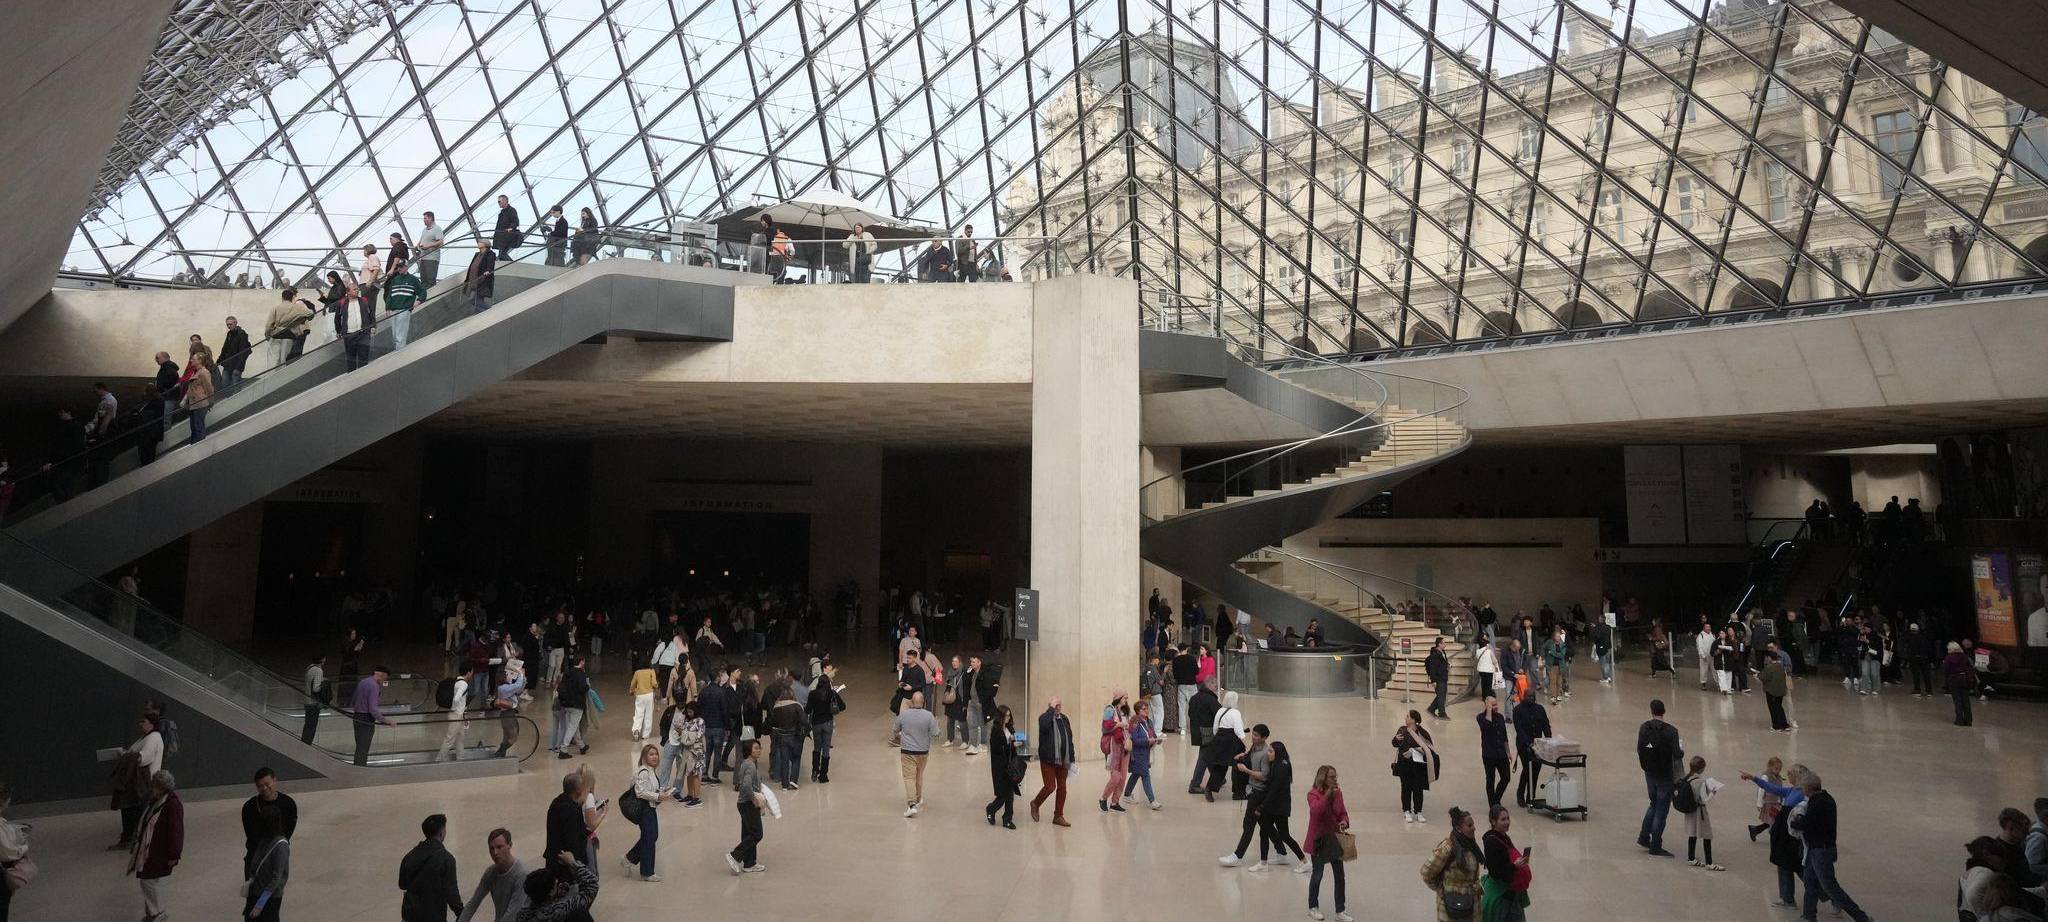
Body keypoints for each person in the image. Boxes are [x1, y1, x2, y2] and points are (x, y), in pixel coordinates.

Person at [1789, 771, 1872, 922]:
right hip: (1818, 849)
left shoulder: (1817, 803)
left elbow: (1806, 825)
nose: (1802, 791)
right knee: (1810, 883)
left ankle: (1862, 917)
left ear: (1809, 788)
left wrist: (1795, 821)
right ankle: (1808, 916)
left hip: (1821, 851)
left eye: (1803, 788)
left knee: (1830, 887)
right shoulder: (1827, 798)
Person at [1741, 763, 1808, 908]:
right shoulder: (1792, 791)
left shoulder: (1802, 794)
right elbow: (1772, 788)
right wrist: (1753, 778)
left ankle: (1826, 894)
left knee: (1798, 868)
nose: (1788, 776)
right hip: (1784, 836)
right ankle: (1787, 899)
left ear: (1796, 776)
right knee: (1786, 866)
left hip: (1792, 838)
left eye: (1790, 774)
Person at [125, 770, 182, 922]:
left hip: (159, 853)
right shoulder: (157, 801)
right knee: (150, 880)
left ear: (162, 787)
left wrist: (174, 855)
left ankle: (158, 913)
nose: (152, 789)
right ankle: (153, 913)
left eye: (154, 786)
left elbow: (176, 831)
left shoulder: (172, 805)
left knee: (148, 881)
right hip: (151, 851)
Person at [1216, 724, 1274, 868]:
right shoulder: (1255, 747)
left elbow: (1264, 776)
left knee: (1249, 824)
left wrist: (1246, 770)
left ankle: (1237, 855)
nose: (1253, 737)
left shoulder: (1265, 753)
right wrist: (1243, 756)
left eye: (1256, 735)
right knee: (1266, 825)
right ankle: (1281, 851)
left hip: (1258, 793)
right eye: (1253, 734)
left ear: (1264, 738)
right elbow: (1250, 756)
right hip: (1253, 791)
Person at [1303, 764, 1352, 921]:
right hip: (1318, 840)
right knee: (1317, 875)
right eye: (1331, 776)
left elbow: (1342, 812)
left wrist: (1344, 821)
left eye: (1335, 776)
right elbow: (1316, 812)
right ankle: (1313, 906)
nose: (1335, 779)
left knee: (1340, 876)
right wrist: (1328, 794)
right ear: (1323, 778)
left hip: (1334, 839)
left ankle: (1340, 911)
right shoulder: (1313, 794)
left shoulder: (1338, 794)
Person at [1421, 805, 1484, 922]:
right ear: (1458, 828)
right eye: (1469, 825)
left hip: (1472, 906)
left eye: (1473, 824)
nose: (1474, 828)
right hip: (1451, 907)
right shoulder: (1448, 848)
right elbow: (1426, 872)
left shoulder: (1471, 846)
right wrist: (1442, 889)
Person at [1636, 698, 1682, 858]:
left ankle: (1644, 836)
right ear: (1664, 711)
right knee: (1661, 810)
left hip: (1649, 771)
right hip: (1665, 774)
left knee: (1653, 803)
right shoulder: (1671, 731)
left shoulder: (1644, 728)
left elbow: (1639, 748)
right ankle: (1655, 844)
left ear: (1651, 711)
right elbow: (1677, 754)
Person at [400, 813, 462, 921]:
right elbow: (451, 893)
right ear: (442, 832)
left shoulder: (409, 856)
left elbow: (402, 884)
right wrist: (462, 913)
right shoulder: (446, 859)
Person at [457, 828, 528, 922]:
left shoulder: (521, 874)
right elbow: (473, 903)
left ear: (509, 845)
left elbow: (513, 914)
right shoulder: (491, 873)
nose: (495, 853)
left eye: (499, 847)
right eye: (492, 848)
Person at [241, 767, 299, 881]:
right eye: (260, 786)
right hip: (256, 855)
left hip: (277, 855)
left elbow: (288, 831)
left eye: (267, 784)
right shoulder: (249, 807)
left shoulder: (288, 804)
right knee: (253, 893)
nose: (264, 788)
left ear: (274, 780)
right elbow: (251, 834)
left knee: (275, 891)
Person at [1480, 804, 1532, 921]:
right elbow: (1495, 871)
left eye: (1508, 818)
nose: (1507, 822)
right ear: (1493, 822)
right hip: (1502, 893)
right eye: (1503, 819)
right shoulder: (1492, 842)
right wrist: (1514, 866)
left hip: (1510, 891)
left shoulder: (1503, 836)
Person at [724, 739, 768, 874]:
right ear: (749, 750)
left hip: (743, 803)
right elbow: (747, 785)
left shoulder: (746, 764)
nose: (758, 750)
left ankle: (749, 863)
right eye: (755, 748)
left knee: (748, 833)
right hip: (748, 804)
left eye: (759, 748)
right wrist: (754, 799)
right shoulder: (750, 766)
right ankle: (735, 855)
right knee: (756, 833)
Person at [892, 690, 938, 817]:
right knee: (919, 775)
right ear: (923, 702)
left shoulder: (904, 715)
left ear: (912, 702)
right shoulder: (929, 716)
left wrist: (899, 737)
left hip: (907, 751)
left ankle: (911, 804)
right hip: (923, 751)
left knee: (908, 777)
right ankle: (918, 798)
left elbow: (895, 730)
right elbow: (935, 733)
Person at [622, 744, 663, 881]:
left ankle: (629, 858)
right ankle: (647, 872)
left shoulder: (651, 771)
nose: (654, 757)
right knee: (649, 838)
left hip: (650, 807)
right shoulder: (644, 772)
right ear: (644, 757)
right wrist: (657, 796)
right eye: (651, 754)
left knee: (651, 836)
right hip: (644, 809)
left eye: (656, 754)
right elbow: (640, 792)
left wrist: (661, 794)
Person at [1031, 696, 1075, 826]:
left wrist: (1071, 757)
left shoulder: (1065, 719)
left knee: (1062, 788)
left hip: (1063, 760)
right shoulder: (1044, 718)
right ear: (1050, 707)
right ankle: (1035, 803)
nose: (1058, 708)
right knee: (1050, 787)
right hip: (1048, 759)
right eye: (1055, 705)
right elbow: (1044, 726)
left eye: (1059, 705)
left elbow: (1069, 739)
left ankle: (1058, 816)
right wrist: (1051, 710)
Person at [242, 804, 290, 922]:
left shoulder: (281, 845)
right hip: (255, 892)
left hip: (270, 897)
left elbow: (276, 877)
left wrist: (260, 904)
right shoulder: (264, 840)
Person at [1392, 708, 1441, 823]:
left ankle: (1418, 811)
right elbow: (1395, 744)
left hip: (1418, 766)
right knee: (1406, 788)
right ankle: (1407, 810)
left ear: (1413, 720)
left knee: (1418, 789)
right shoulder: (1402, 730)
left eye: (1408, 716)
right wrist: (1395, 739)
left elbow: (1429, 748)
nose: (1405, 718)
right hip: (1404, 764)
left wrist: (1419, 750)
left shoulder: (1423, 733)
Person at [1678, 755, 1724, 871]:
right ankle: (1709, 863)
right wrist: (1713, 793)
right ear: (1701, 768)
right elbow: (1704, 800)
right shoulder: (1701, 782)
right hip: (1699, 812)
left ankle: (1691, 858)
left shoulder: (1687, 778)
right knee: (1707, 835)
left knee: (1692, 833)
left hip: (1690, 811)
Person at [1511, 691, 1551, 808]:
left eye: (1533, 697)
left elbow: (1545, 724)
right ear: (1524, 696)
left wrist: (1549, 739)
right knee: (1527, 769)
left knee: (1536, 769)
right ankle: (1520, 794)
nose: (1532, 698)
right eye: (1529, 696)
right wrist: (1528, 743)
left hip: (1538, 745)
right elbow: (1519, 729)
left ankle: (1531, 797)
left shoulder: (1540, 709)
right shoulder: (1517, 710)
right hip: (1524, 745)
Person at [1121, 699, 1163, 809]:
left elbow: (1152, 734)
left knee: (1136, 774)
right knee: (1145, 775)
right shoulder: (1135, 721)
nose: (1147, 711)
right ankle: (1152, 800)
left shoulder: (1148, 721)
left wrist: (1157, 739)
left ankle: (1127, 794)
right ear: (1138, 711)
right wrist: (1147, 741)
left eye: (1147, 708)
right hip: (1138, 754)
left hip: (1146, 753)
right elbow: (1135, 739)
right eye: (1144, 709)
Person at [352, 665, 397, 766]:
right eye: (385, 678)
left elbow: (354, 700)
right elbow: (373, 709)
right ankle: (361, 770)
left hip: (357, 717)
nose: (384, 680)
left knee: (359, 746)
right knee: (364, 748)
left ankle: (357, 768)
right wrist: (386, 720)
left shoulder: (362, 682)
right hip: (366, 719)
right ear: (382, 675)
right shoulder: (374, 686)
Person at [382, 260, 428, 350]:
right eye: (398, 266)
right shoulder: (394, 280)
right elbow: (390, 295)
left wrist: (419, 300)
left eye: (401, 266)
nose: (399, 268)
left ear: (406, 267)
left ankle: (399, 354)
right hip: (393, 310)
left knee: (400, 335)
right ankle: (399, 352)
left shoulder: (413, 279)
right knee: (395, 335)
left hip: (404, 309)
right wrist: (387, 308)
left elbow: (422, 291)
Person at [1476, 694, 1511, 808]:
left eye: (1496, 704)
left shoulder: (1500, 717)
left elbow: (1504, 736)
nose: (1496, 707)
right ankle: (1493, 805)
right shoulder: (1480, 717)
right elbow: (1486, 726)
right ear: (1487, 705)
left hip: (1501, 753)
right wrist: (1489, 711)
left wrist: (1508, 752)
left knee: (1506, 777)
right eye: (1493, 705)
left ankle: (1496, 799)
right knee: (1490, 780)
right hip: (1489, 754)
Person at [178, 340, 217, 439]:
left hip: (200, 403)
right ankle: (195, 442)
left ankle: (199, 445)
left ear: (199, 361)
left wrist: (211, 402)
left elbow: (209, 388)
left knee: (198, 427)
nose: (191, 360)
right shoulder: (196, 372)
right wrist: (184, 400)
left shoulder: (204, 372)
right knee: (194, 427)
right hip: (194, 403)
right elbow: (191, 388)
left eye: (193, 359)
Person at [266, 287, 314, 364]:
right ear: (292, 297)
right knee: (284, 360)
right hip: (289, 335)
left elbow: (269, 325)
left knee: (273, 361)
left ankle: (272, 375)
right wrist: (301, 320)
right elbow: (311, 313)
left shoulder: (275, 308)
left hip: (276, 336)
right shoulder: (297, 308)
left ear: (282, 297)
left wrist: (267, 335)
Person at [1943, 641, 1978, 726]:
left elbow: (1945, 669)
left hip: (1953, 678)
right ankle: (1968, 720)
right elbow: (1970, 667)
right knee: (1966, 699)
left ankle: (1959, 719)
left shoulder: (1948, 658)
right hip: (1964, 678)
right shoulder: (1964, 657)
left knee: (1957, 700)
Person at [1761, 643, 1793, 732]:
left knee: (1773, 708)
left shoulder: (1770, 668)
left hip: (1771, 691)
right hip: (1780, 690)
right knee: (1779, 707)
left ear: (1770, 658)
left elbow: (1763, 677)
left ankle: (1776, 726)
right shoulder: (1781, 667)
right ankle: (1785, 725)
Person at [628, 658, 658, 741]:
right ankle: (646, 734)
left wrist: (631, 691)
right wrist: (656, 687)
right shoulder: (651, 671)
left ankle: (636, 730)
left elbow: (633, 683)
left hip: (640, 695)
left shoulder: (637, 672)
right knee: (648, 715)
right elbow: (654, 683)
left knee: (638, 713)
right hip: (649, 695)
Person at [465, 238, 497, 314]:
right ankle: (483, 313)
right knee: (477, 300)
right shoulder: (477, 254)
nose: (478, 243)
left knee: (473, 299)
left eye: (480, 242)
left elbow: (490, 265)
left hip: (483, 280)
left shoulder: (490, 254)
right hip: (473, 280)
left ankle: (489, 312)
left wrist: (488, 271)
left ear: (485, 244)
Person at [219, 316, 252, 387]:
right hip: (228, 364)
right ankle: (227, 398)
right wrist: (218, 361)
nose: (229, 326)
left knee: (235, 386)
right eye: (227, 324)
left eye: (230, 324)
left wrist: (238, 368)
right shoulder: (229, 334)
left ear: (235, 323)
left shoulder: (242, 334)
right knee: (224, 385)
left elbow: (243, 352)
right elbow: (225, 349)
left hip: (236, 366)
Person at [416, 211, 445, 287]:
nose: (424, 220)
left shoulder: (437, 229)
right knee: (423, 278)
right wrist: (418, 245)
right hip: (423, 257)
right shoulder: (424, 229)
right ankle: (424, 295)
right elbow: (422, 239)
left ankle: (430, 295)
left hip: (432, 258)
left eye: (425, 218)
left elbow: (441, 242)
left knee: (430, 279)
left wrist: (429, 246)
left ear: (430, 218)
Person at [1425, 637, 1451, 718]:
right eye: (1444, 642)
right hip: (1438, 678)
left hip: (1443, 677)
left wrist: (1447, 665)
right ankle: (1442, 714)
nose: (1445, 644)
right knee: (1441, 696)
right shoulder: (1434, 655)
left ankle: (1431, 709)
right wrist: (1433, 681)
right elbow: (1433, 668)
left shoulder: (1443, 652)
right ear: (1439, 644)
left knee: (1441, 695)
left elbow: (1442, 664)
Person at [492, 195, 520, 261]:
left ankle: (513, 266)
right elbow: (499, 226)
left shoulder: (511, 210)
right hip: (502, 236)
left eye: (499, 201)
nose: (498, 203)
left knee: (502, 254)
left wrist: (511, 228)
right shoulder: (502, 212)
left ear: (505, 201)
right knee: (502, 254)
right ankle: (511, 266)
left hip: (507, 236)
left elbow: (515, 221)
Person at [1473, 635, 1498, 700]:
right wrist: (1496, 667)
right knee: (1488, 684)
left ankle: (1484, 696)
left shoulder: (1478, 651)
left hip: (1481, 669)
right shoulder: (1489, 651)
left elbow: (1477, 658)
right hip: (1489, 670)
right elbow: (1494, 661)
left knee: (1483, 683)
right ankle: (1488, 696)